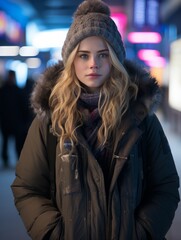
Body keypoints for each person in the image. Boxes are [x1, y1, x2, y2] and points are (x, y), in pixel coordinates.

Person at [11, 1, 180, 239]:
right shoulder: (50, 120)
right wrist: (53, 233)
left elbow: (166, 186)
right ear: (71, 61)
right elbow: (27, 188)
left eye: (103, 54)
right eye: (83, 55)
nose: (93, 63)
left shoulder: (140, 117)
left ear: (115, 60)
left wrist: (143, 232)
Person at [0, 70, 27, 167]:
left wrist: (24, 122)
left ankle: (18, 159)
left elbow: (24, 107)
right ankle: (5, 159)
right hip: (6, 122)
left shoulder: (18, 91)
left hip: (16, 122)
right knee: (5, 142)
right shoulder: (3, 91)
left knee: (18, 143)